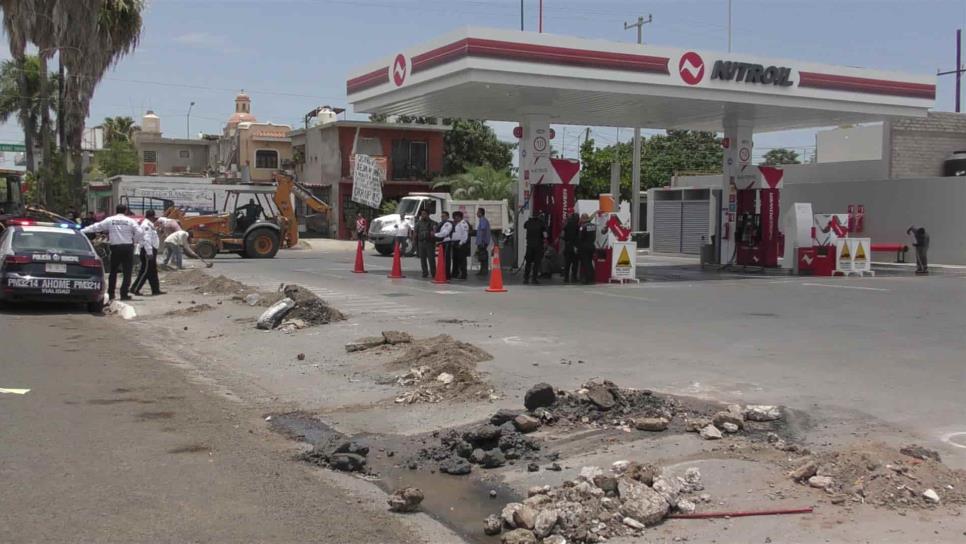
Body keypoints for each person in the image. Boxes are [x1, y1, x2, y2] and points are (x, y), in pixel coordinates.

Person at [81, 204, 143, 301]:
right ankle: (124, 294)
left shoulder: (110, 220)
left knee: (113, 271)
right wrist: (134, 241)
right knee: (127, 272)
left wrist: (82, 231)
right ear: (126, 211)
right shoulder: (130, 221)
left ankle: (111, 294)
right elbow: (140, 232)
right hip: (127, 247)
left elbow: (96, 227)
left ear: (116, 210)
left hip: (115, 248)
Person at [132, 210, 164, 296]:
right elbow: (146, 239)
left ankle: (155, 289)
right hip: (148, 251)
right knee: (145, 271)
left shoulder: (150, 224)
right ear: (152, 216)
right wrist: (149, 252)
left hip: (151, 250)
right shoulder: (146, 225)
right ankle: (135, 289)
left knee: (152, 271)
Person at [523, 213, 547, 284]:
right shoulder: (541, 223)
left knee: (528, 263)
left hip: (529, 245)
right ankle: (534, 278)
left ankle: (526, 278)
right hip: (538, 246)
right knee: (536, 263)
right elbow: (545, 234)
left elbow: (524, 226)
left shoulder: (528, 222)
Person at [414, 209, 437, 278]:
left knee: (431, 259)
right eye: (421, 214)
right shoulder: (418, 223)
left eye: (424, 214)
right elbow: (415, 233)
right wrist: (414, 242)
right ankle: (425, 273)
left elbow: (436, 232)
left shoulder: (433, 223)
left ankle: (434, 273)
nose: (422, 215)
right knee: (422, 259)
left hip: (430, 243)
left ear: (428, 214)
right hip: (421, 243)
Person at [578, 213, 598, 285]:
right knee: (589, 262)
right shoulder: (594, 226)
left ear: (583, 219)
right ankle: (592, 278)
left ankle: (587, 279)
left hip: (584, 247)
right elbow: (594, 236)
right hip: (591, 246)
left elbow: (580, 238)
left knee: (585, 263)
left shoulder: (582, 227)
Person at [434, 211, 454, 280]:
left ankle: (447, 274)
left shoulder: (448, 224)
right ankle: (443, 273)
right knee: (442, 259)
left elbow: (444, 233)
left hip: (447, 243)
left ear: (448, 217)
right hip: (442, 243)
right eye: (442, 216)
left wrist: (434, 235)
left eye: (444, 216)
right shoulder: (442, 224)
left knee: (446, 260)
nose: (442, 217)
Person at [451, 211, 470, 280]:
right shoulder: (457, 224)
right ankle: (455, 273)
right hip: (455, 243)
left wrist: (460, 243)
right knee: (456, 259)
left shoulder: (463, 224)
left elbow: (465, 235)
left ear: (459, 217)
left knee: (462, 260)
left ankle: (463, 274)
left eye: (455, 217)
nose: (454, 219)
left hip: (461, 244)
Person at [562, 212, 580, 283]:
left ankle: (566, 278)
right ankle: (574, 277)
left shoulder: (567, 224)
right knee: (575, 263)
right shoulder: (577, 226)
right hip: (574, 246)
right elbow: (577, 237)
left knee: (567, 263)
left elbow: (563, 234)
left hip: (567, 245)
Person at [475, 207, 491, 277]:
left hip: (482, 242)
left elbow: (483, 230)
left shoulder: (482, 220)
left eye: (478, 212)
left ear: (481, 213)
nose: (477, 213)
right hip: (483, 241)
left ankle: (484, 271)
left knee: (483, 257)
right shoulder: (482, 220)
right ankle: (482, 270)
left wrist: (482, 241)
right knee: (482, 256)